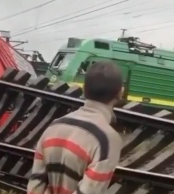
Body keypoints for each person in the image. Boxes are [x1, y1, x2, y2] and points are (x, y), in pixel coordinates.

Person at [27, 61, 124, 194]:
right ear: (120, 92)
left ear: (84, 89)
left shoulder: (54, 126)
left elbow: (35, 184)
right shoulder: (107, 139)